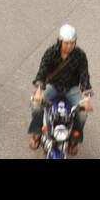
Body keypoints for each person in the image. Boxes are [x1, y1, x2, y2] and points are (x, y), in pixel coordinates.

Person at [28, 24, 92, 153]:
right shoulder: (51, 53)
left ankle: (74, 140)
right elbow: (42, 72)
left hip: (71, 89)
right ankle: (36, 133)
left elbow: (84, 76)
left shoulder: (80, 55)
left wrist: (86, 99)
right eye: (66, 43)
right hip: (52, 86)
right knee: (36, 105)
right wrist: (39, 92)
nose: (69, 46)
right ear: (60, 41)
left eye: (72, 43)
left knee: (83, 113)